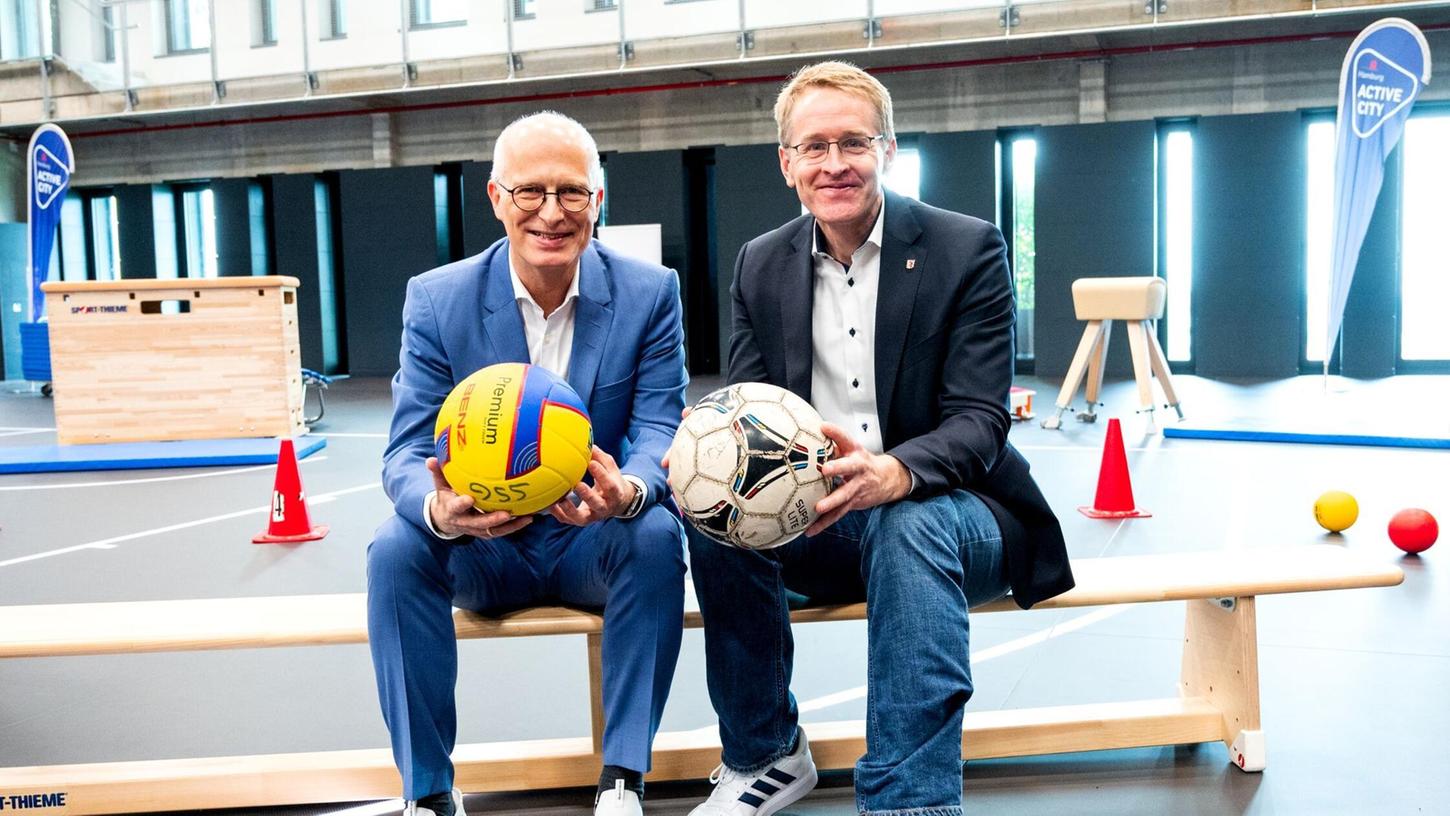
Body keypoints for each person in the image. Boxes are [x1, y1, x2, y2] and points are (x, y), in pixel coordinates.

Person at [682, 62, 1074, 816]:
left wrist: (895, 472)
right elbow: (751, 414)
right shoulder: (760, 263)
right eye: (814, 146)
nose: (834, 163)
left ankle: (909, 802)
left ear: (887, 150)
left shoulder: (966, 248)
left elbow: (980, 421)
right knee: (714, 510)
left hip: (958, 515)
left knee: (906, 523)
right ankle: (764, 755)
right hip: (821, 518)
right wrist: (701, 449)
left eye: (853, 142)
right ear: (787, 163)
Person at [368, 111, 689, 816]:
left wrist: (630, 490)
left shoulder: (649, 292)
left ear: (597, 200)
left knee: (657, 534)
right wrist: (440, 510)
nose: (551, 212)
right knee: (395, 548)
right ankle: (427, 792)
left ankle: (623, 779)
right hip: (484, 547)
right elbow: (406, 449)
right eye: (529, 192)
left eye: (572, 192)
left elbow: (660, 425)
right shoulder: (438, 298)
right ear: (496, 197)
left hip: (592, 540)